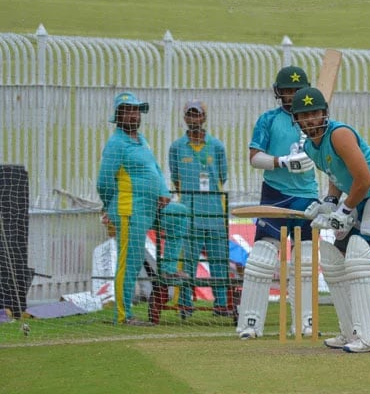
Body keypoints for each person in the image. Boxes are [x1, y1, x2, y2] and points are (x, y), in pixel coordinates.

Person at [291, 87, 370, 353]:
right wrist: (329, 204)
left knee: (358, 252)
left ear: (324, 113)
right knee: (335, 259)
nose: (311, 119)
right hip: (360, 198)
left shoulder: (339, 134)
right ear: (297, 120)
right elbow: (337, 177)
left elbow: (365, 179)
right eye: (305, 115)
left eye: (315, 113)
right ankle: (351, 331)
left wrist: (344, 212)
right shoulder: (311, 147)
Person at [236, 66, 318, 339]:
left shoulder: (316, 119)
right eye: (287, 91)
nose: (292, 95)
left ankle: (305, 322)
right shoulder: (269, 119)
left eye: (297, 91)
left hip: (306, 194)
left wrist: (312, 156)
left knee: (305, 260)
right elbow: (254, 157)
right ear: (279, 92)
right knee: (261, 258)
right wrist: (281, 161)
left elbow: (330, 153)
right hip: (275, 192)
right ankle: (250, 322)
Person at [96, 92, 171, 326]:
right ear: (118, 116)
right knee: (130, 261)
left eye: (136, 110)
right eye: (127, 110)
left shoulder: (141, 139)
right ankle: (123, 315)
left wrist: (164, 193)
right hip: (129, 211)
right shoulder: (116, 143)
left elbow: (155, 168)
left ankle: (169, 270)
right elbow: (104, 182)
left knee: (178, 218)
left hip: (150, 208)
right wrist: (111, 207)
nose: (133, 114)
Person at [168, 100, 234, 319]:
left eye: (197, 115)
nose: (193, 119)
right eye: (190, 115)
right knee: (188, 261)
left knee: (219, 260)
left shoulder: (217, 146)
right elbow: (176, 177)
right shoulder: (177, 147)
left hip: (214, 212)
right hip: (188, 213)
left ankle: (222, 305)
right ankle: (185, 306)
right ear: (185, 118)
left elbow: (222, 176)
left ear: (204, 118)